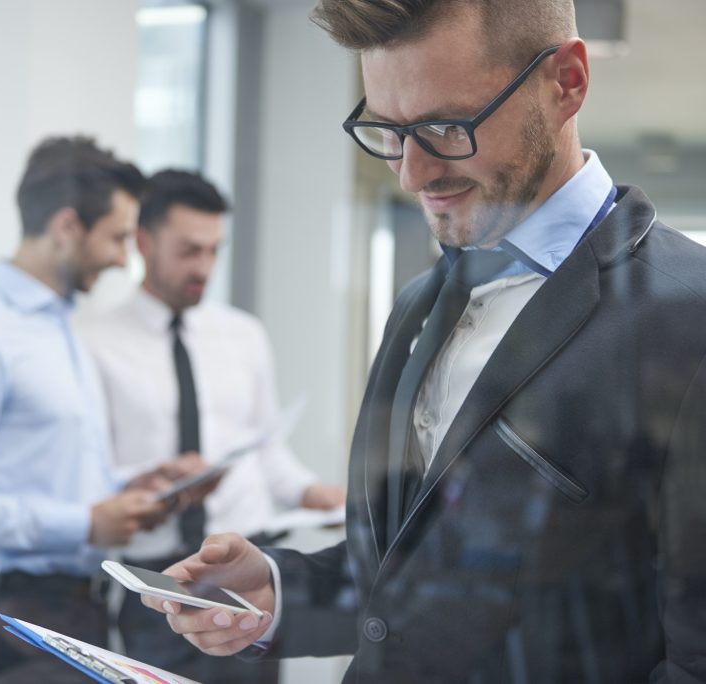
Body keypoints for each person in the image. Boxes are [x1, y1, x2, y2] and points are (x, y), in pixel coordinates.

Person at [139, 2, 706, 682]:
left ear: (567, 82)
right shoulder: (419, 301)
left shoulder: (687, 317)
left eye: (445, 126)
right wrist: (278, 590)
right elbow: (415, 573)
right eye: (388, 130)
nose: (411, 174)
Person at [0, 136, 187, 683]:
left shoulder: (61, 331)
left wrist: (136, 489)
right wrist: (85, 523)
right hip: (15, 620)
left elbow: (48, 472)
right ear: (66, 226)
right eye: (117, 238)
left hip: (79, 610)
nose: (122, 259)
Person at [78, 169, 347, 684]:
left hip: (244, 571)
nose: (203, 267)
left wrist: (316, 494)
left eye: (213, 250)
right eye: (188, 250)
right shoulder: (93, 342)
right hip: (157, 585)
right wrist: (154, 485)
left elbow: (268, 457)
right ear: (142, 241)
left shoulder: (243, 336)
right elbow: (89, 473)